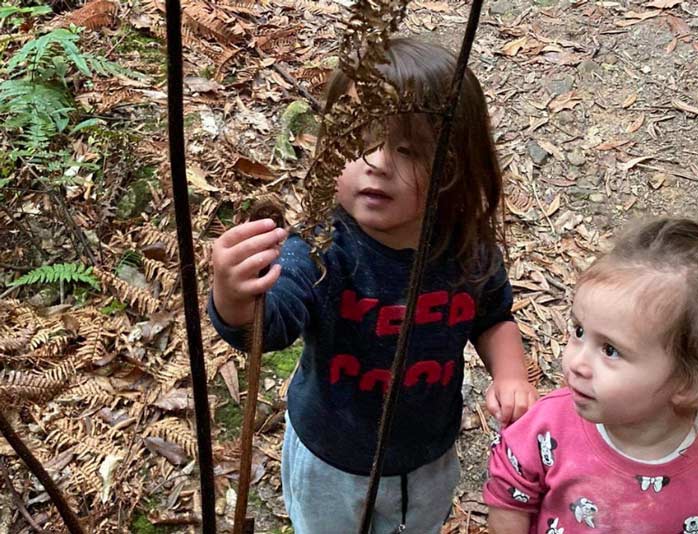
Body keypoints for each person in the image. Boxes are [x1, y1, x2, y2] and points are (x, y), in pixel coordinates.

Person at [209, 38, 536, 533]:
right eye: (356, 140)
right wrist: (234, 297)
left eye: (407, 149)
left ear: (452, 167)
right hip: (330, 456)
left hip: (426, 453)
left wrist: (512, 375)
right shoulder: (322, 247)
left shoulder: (464, 247)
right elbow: (271, 326)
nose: (378, 162)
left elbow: (492, 314)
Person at [484, 218, 698, 533]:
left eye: (610, 350)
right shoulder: (549, 427)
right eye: (579, 331)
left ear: (689, 386)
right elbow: (510, 493)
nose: (577, 362)